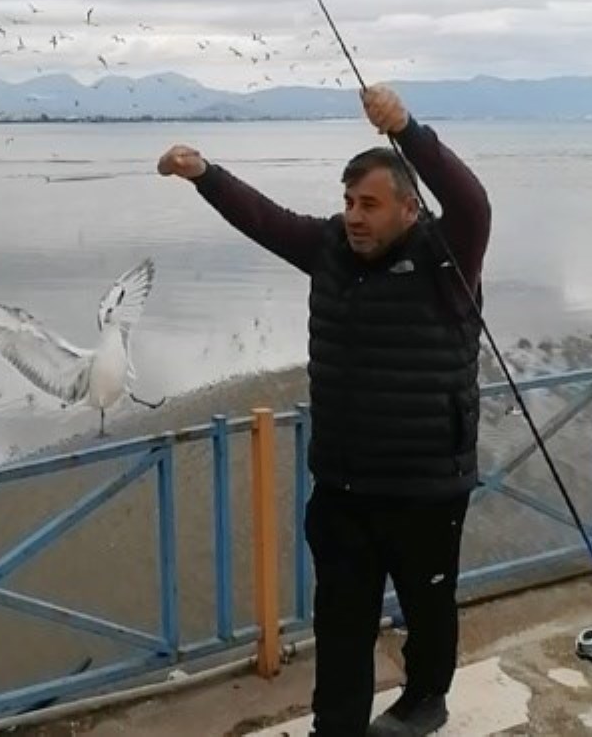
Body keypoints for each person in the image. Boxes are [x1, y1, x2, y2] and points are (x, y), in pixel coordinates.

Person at [157, 85, 491, 737]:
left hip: (426, 485)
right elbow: (263, 217)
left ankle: (426, 699)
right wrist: (205, 175)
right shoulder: (329, 249)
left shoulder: (447, 256)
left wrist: (410, 131)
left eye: (369, 204)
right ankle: (334, 728)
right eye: (347, 202)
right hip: (340, 485)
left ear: (409, 207)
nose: (355, 216)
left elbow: (473, 201)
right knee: (341, 620)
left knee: (427, 606)